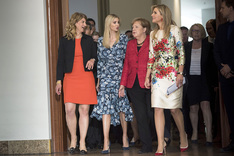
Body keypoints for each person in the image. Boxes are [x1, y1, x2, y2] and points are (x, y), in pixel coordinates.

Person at [144, 4, 188, 155]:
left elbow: (180, 52)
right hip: (157, 76)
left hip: (172, 74)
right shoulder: (152, 33)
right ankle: (160, 143)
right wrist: (147, 75)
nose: (152, 15)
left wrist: (180, 73)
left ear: (162, 14)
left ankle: (183, 135)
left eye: (154, 12)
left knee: (174, 109)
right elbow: (151, 56)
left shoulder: (174, 30)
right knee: (157, 108)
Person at [55, 12, 97, 155]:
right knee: (69, 110)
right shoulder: (65, 40)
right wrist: (58, 81)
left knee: (84, 111)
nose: (85, 25)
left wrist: (92, 60)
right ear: (75, 23)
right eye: (82, 22)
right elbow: (60, 62)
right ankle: (73, 139)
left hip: (85, 77)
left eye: (85, 22)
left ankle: (82, 142)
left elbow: (94, 56)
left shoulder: (88, 40)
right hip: (70, 77)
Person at [91, 14, 133, 154]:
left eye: (118, 22)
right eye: (114, 22)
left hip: (119, 78)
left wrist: (124, 82)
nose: (117, 24)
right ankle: (105, 141)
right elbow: (100, 63)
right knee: (105, 110)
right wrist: (98, 81)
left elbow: (126, 61)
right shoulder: (101, 41)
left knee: (121, 108)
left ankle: (125, 136)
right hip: (105, 79)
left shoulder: (123, 40)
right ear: (109, 23)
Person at [184, 23, 213, 145]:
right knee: (193, 107)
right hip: (191, 80)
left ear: (202, 32)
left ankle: (209, 134)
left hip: (204, 80)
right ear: (191, 33)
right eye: (194, 31)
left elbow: (212, 66)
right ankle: (195, 132)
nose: (196, 33)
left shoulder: (209, 46)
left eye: (198, 31)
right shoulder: (186, 46)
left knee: (205, 105)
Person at [214, 0, 234, 152]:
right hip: (225, 76)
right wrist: (222, 67)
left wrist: (231, 66)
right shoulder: (221, 28)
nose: (220, 11)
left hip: (233, 71)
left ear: (231, 8)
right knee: (230, 110)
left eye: (223, 8)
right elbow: (217, 50)